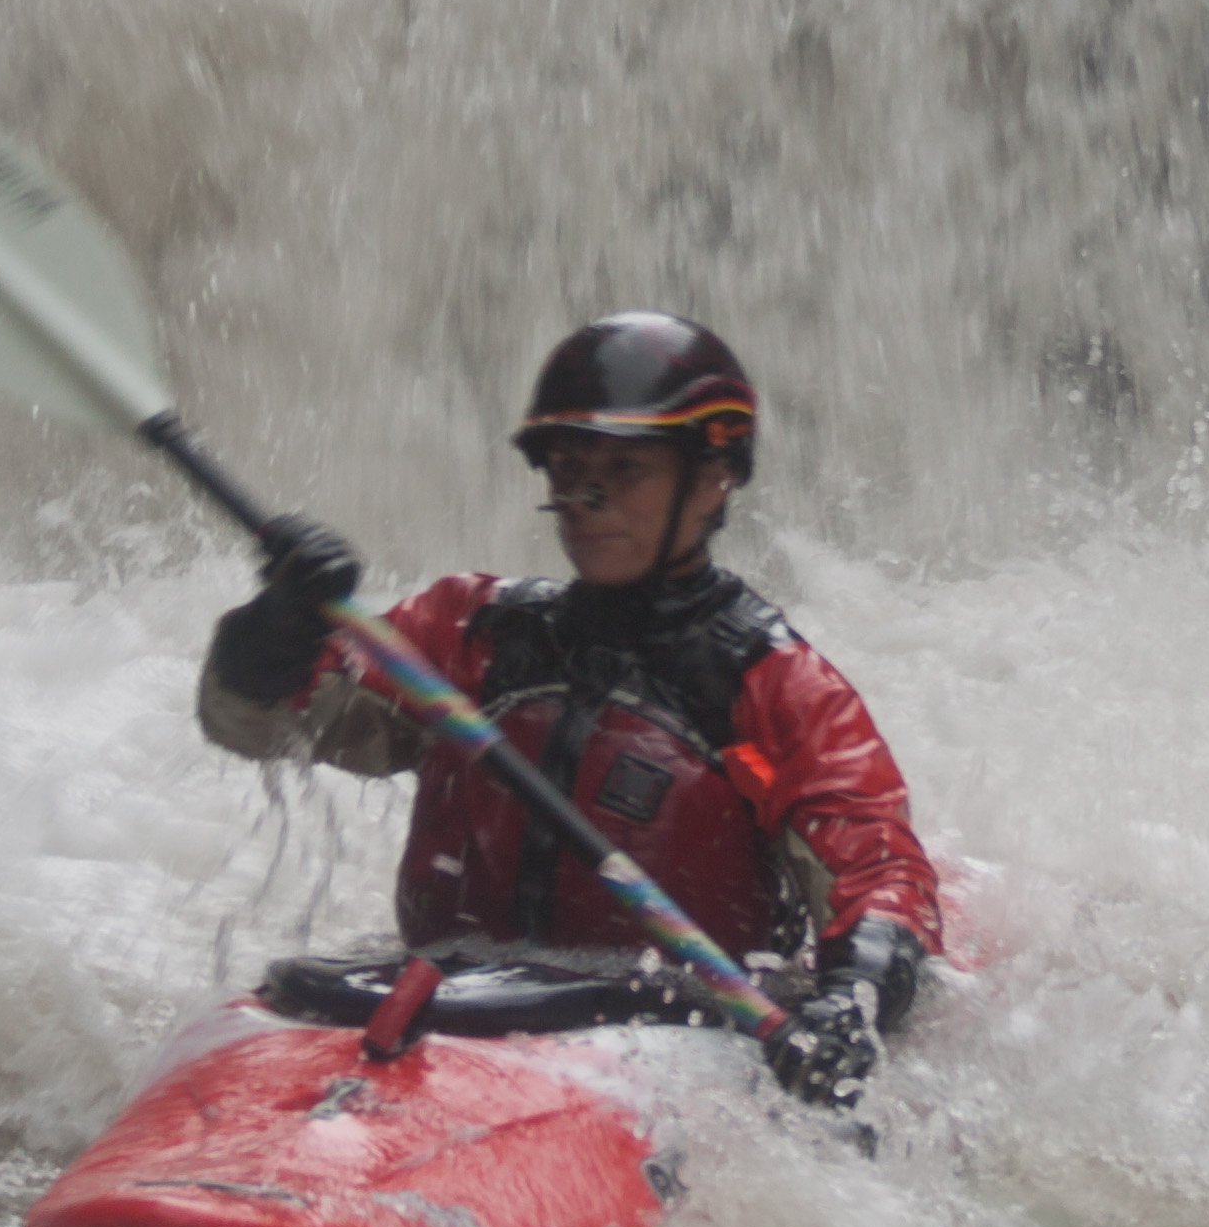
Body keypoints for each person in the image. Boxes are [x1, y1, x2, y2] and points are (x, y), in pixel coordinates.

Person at [197, 313, 943, 1109]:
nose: (586, 499)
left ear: (714, 477)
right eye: (568, 469)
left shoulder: (777, 686)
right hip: (442, 1007)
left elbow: (879, 873)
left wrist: (853, 998)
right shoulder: (470, 631)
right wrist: (276, 632)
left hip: (665, 1038)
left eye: (624, 469)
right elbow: (259, 721)